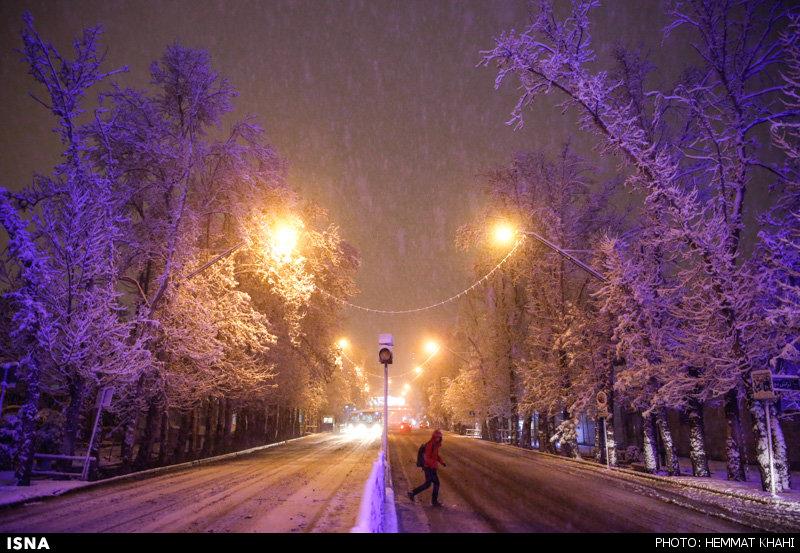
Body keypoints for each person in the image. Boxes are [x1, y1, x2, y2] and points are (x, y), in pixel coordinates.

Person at [408, 429, 446, 507]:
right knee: (436, 483)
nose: (438, 439)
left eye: (439, 437)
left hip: (431, 467)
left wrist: (442, 462)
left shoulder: (435, 445)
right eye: (437, 437)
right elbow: (427, 457)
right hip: (429, 468)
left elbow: (436, 456)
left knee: (428, 484)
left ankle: (412, 493)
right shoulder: (430, 445)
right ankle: (434, 501)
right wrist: (432, 465)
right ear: (434, 437)